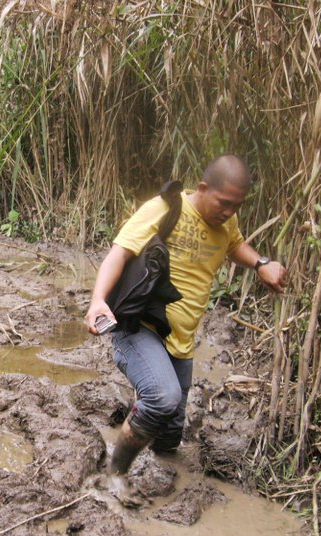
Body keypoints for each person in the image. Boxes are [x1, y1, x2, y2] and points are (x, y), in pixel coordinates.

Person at [85, 154, 287, 481]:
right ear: (203, 188)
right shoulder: (165, 208)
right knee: (162, 398)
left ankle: (140, 429)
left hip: (180, 342)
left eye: (237, 206)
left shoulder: (226, 222)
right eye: (223, 203)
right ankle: (114, 475)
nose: (229, 212)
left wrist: (261, 263)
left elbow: (234, 244)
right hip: (140, 327)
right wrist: (97, 302)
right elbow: (118, 253)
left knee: (167, 438)